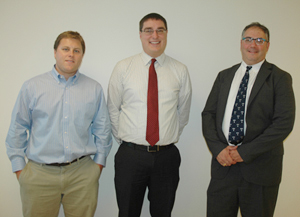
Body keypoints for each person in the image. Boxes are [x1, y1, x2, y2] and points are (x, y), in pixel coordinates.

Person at [5, 31, 112, 217]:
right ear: (55, 52)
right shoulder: (32, 86)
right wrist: (19, 169)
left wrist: (97, 166)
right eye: (65, 49)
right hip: (39, 174)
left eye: (76, 50)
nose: (71, 54)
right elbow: (18, 128)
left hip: (82, 174)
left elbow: (102, 130)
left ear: (82, 55)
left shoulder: (93, 88)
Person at [202, 22, 295, 217]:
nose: (253, 44)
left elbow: (283, 123)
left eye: (260, 40)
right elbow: (208, 115)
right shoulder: (224, 76)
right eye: (248, 39)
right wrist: (218, 149)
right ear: (241, 43)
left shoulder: (280, 78)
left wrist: (244, 152)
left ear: (267, 45)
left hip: (260, 170)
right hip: (223, 168)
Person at [107, 13, 192, 217]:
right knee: (127, 212)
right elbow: (112, 107)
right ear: (140, 34)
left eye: (160, 30)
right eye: (148, 30)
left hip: (166, 157)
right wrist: (126, 139)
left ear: (166, 33)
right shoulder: (123, 67)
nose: (155, 35)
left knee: (163, 213)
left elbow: (183, 112)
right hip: (130, 156)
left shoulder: (180, 70)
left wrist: (167, 137)